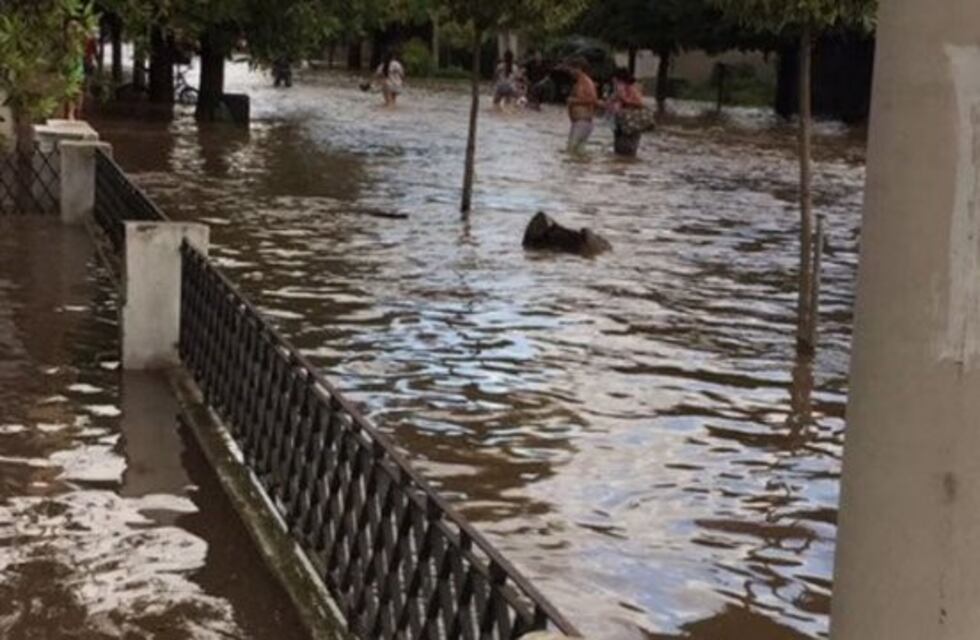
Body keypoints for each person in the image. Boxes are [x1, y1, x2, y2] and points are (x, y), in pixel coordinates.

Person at [562, 57, 599, 153]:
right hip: (579, 122)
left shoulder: (586, 82)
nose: (570, 71)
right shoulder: (579, 82)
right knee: (578, 154)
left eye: (571, 69)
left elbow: (593, 99)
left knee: (570, 151)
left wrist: (573, 101)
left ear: (578, 68)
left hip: (583, 122)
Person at [607, 68, 646, 156]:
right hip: (620, 123)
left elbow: (640, 103)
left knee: (627, 149)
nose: (613, 81)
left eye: (614, 78)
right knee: (619, 150)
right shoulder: (618, 89)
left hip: (630, 122)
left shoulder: (632, 89)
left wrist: (624, 99)